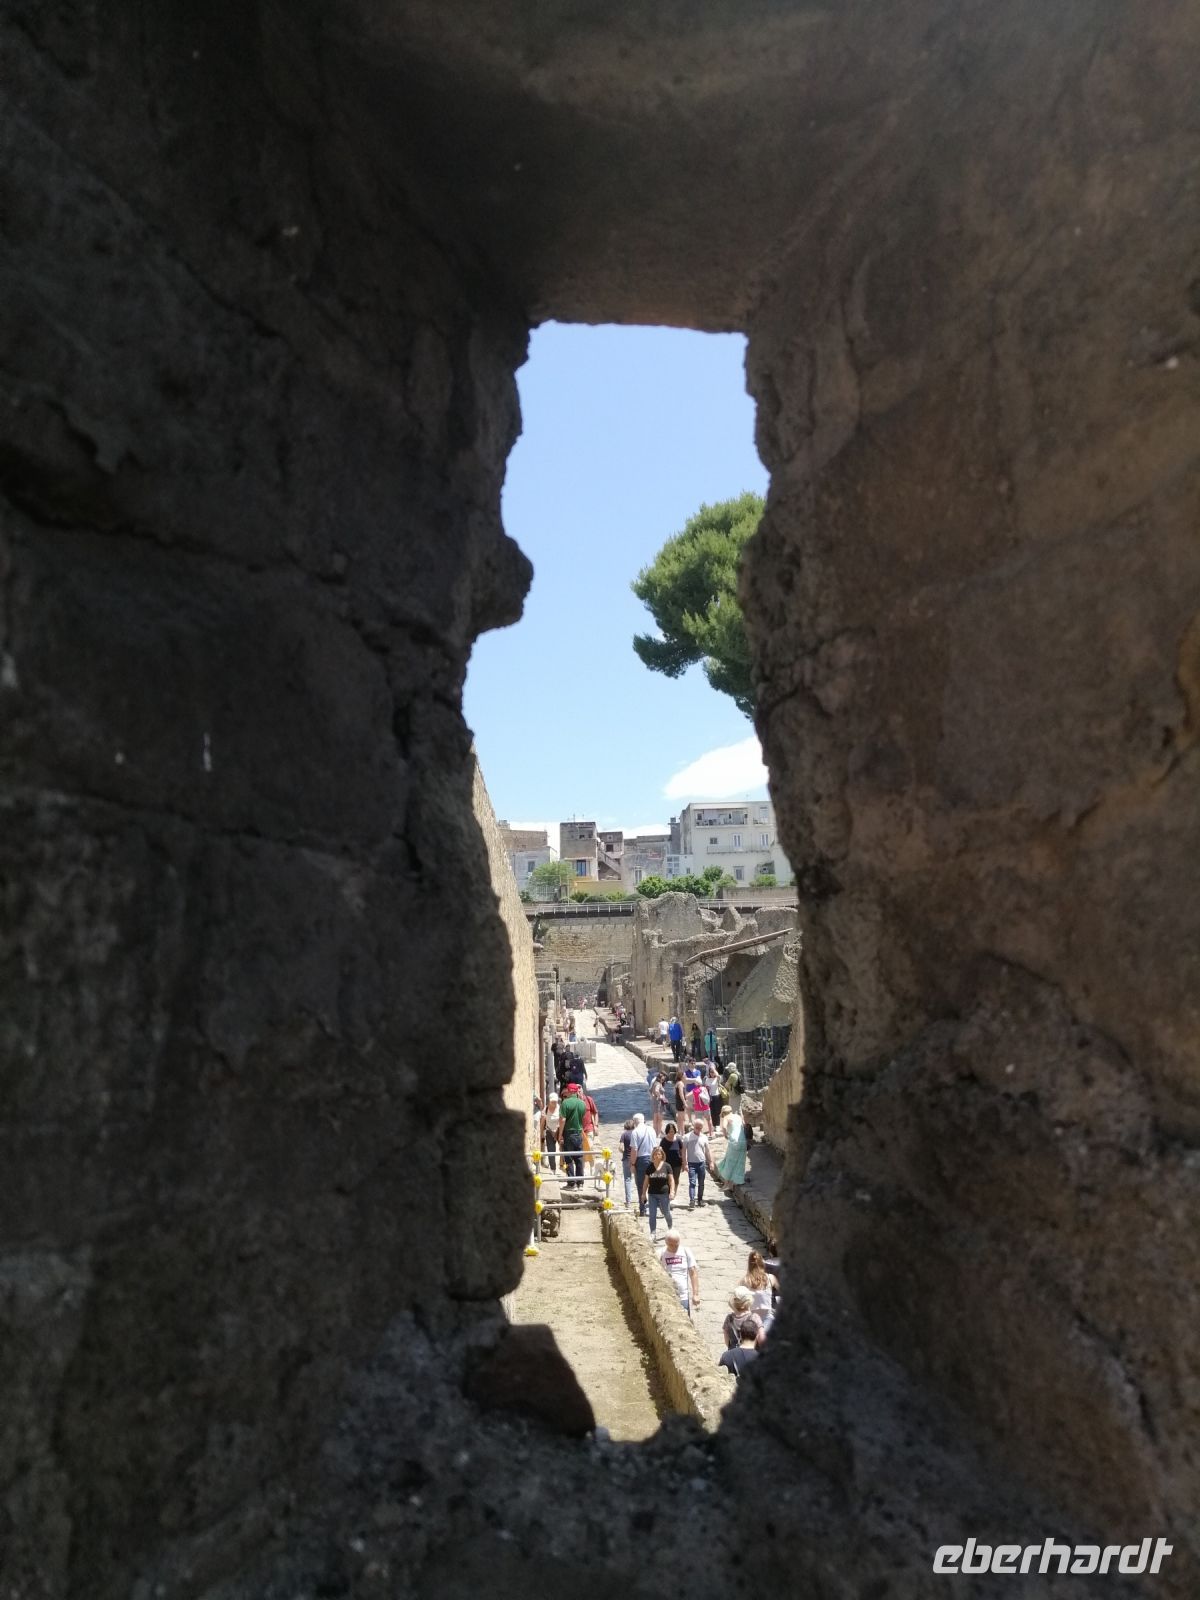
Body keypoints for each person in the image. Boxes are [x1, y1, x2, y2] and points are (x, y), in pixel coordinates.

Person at [660, 1228, 700, 1317]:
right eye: (671, 1245)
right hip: (667, 1296)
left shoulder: (685, 1251)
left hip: (683, 1297)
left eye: (676, 1245)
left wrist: (695, 1294)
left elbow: (693, 1273)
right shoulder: (661, 1253)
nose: (674, 1247)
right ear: (666, 1242)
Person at [741, 1250, 780, 1332]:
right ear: (762, 1263)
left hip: (751, 1318)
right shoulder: (771, 1278)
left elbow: (739, 1298)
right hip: (767, 1317)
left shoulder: (745, 1280)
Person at [641, 1145, 675, 1238]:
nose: (657, 1156)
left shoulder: (667, 1166)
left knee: (666, 1212)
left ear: (662, 1155)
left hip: (664, 1194)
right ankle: (653, 1233)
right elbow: (646, 1182)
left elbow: (671, 1180)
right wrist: (643, 1194)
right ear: (653, 1155)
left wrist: (672, 1191)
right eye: (655, 1154)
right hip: (652, 1194)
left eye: (659, 1154)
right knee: (652, 1214)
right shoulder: (649, 1167)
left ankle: (670, 1227)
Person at [559, 1081, 587, 1189]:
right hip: (578, 1133)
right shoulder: (582, 1103)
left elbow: (562, 1120)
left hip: (568, 1133)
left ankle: (571, 1183)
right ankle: (580, 1183)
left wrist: (560, 1134)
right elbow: (582, 1117)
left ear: (569, 1091)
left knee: (568, 1158)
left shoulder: (565, 1103)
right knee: (579, 1158)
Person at [630, 1113, 657, 1215]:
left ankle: (643, 1208)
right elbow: (655, 1146)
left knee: (641, 1185)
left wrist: (632, 1164)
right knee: (653, 1184)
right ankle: (653, 1207)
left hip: (641, 1160)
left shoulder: (635, 1132)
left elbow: (634, 1150)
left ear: (634, 1122)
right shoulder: (651, 1129)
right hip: (653, 1158)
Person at [722, 1285, 764, 1350]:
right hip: (752, 1352)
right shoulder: (754, 1318)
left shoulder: (729, 1319)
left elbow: (727, 1341)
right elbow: (761, 1339)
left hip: (733, 1352)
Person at [716, 1104, 748, 1187]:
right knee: (740, 1161)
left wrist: (725, 1135)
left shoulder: (726, 1117)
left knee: (729, 1161)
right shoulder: (738, 1116)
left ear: (723, 1112)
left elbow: (723, 1127)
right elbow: (744, 1125)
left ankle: (726, 1184)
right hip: (742, 1140)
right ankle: (738, 1181)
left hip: (733, 1140)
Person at [684, 1119, 710, 1207]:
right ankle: (692, 1200)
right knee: (692, 1182)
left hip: (701, 1163)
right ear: (693, 1127)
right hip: (691, 1163)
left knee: (701, 1183)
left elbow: (707, 1151)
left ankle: (700, 1200)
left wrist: (711, 1162)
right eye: (696, 1127)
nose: (698, 1129)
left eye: (700, 1128)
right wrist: (685, 1163)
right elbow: (683, 1151)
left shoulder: (704, 1137)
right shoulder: (687, 1137)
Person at [540, 1094, 562, 1172]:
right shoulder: (546, 1109)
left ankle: (563, 1167)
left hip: (559, 1131)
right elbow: (542, 1122)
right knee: (551, 1151)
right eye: (552, 1102)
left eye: (555, 1101)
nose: (554, 1103)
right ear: (549, 1101)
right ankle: (553, 1169)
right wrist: (541, 1133)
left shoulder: (560, 1108)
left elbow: (562, 1120)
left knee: (563, 1150)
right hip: (549, 1131)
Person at [619, 1117, 637, 1207]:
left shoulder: (624, 1135)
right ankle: (642, 1198)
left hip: (626, 1158)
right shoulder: (636, 1133)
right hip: (636, 1158)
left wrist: (624, 1152)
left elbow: (620, 1147)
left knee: (627, 1179)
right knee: (639, 1179)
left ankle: (628, 1201)